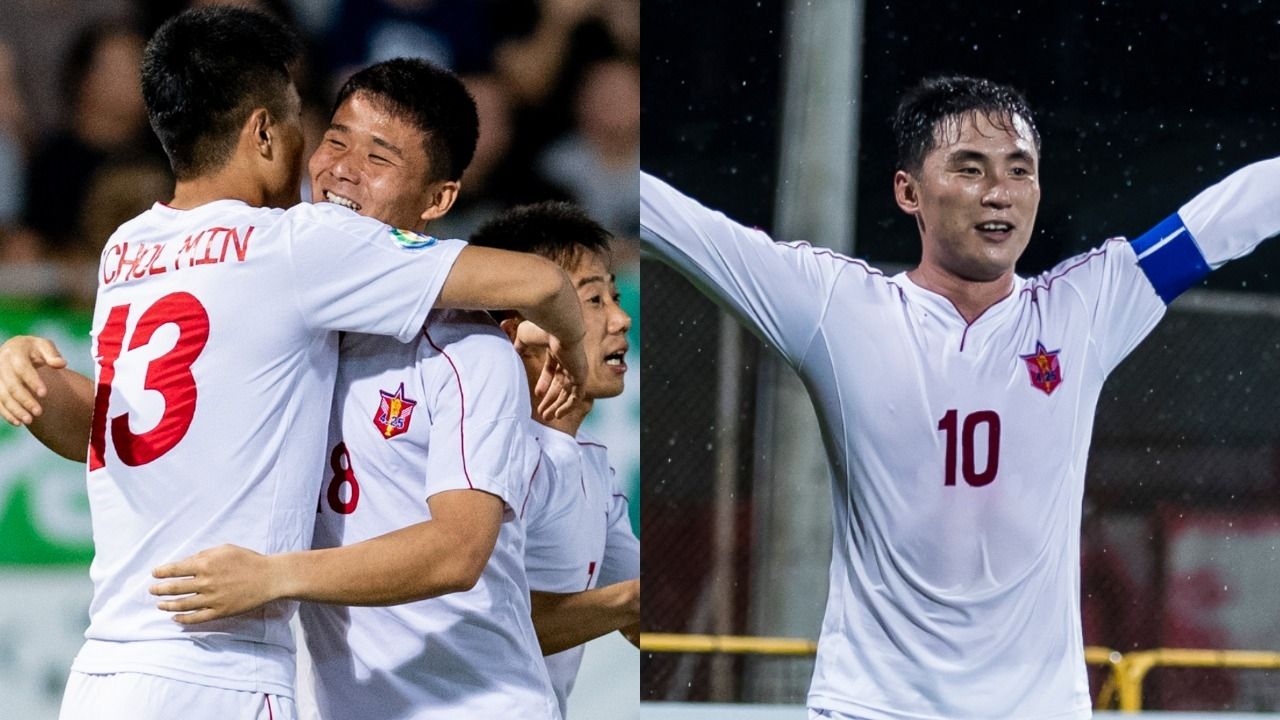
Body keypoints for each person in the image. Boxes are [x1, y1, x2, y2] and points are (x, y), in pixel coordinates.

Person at [0, 8, 587, 720]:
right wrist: (566, 348)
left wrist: (35, 379)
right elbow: (544, 283)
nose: (337, 167)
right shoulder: (297, 245)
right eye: (328, 134)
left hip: (108, 670)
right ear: (265, 132)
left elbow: (112, 429)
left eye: (378, 157)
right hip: (225, 670)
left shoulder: (128, 250)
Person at [640, 75, 1280, 719]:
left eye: (1019, 170)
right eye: (969, 169)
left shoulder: (1087, 305)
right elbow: (684, 227)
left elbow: (1228, 218)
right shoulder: (837, 307)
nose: (998, 193)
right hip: (874, 706)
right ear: (908, 191)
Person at [469, 201, 641, 718]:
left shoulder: (589, 462)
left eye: (613, 293)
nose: (621, 317)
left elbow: (640, 605)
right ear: (519, 329)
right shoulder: (488, 454)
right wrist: (625, 604)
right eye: (592, 299)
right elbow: (473, 628)